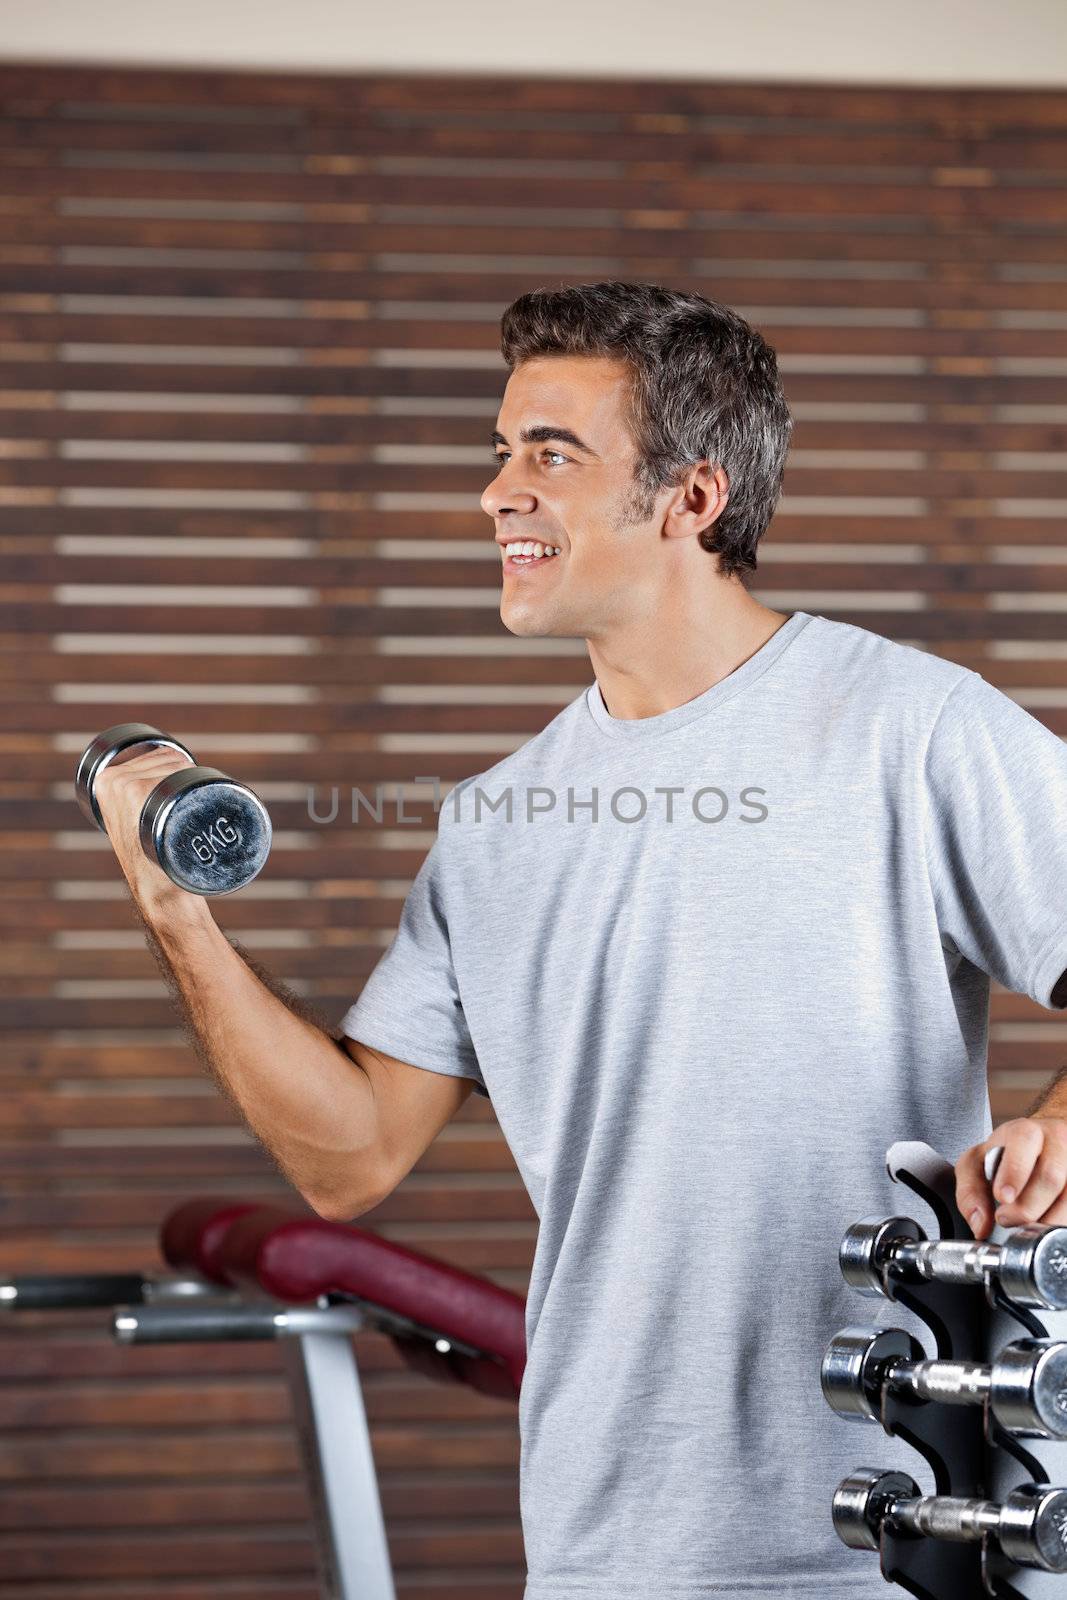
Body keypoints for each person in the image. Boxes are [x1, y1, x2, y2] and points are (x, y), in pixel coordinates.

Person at [94, 280, 1067, 1599]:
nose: (500, 493)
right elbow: (352, 1158)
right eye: (500, 454)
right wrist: (177, 917)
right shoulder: (498, 826)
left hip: (892, 1537)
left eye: (550, 454)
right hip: (610, 1538)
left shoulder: (910, 732)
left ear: (694, 498)